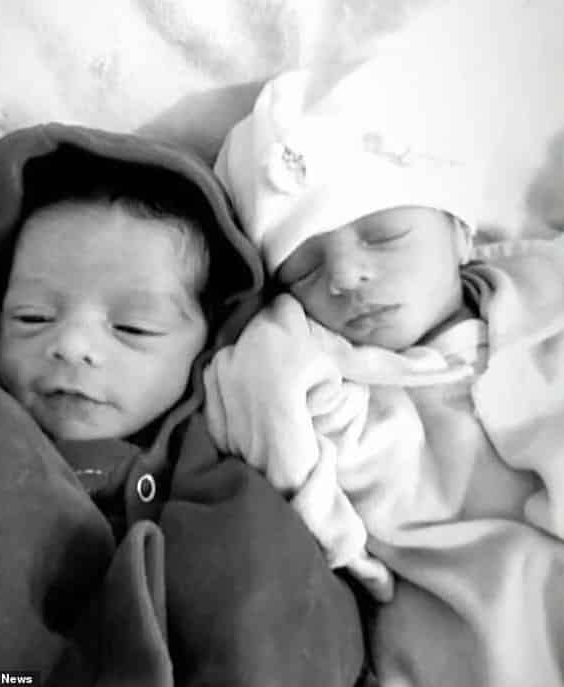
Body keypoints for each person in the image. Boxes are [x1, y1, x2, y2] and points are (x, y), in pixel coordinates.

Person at [0, 123, 366, 685]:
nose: (72, 345)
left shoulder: (222, 491)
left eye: (134, 327)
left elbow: (291, 629)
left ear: (207, 345)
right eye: (32, 317)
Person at [206, 54, 564, 687]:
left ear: (459, 233)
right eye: (304, 270)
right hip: (467, 639)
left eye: (384, 236)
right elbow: (252, 390)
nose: (345, 277)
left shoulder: (543, 298)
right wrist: (346, 550)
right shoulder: (335, 388)